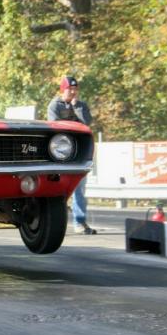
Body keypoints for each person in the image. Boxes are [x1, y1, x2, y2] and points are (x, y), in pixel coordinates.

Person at [47, 76, 97, 235]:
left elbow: (87, 123)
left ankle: (80, 222)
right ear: (63, 89)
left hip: (80, 153)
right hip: (61, 154)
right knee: (57, 189)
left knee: (79, 188)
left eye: (75, 89)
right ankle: (52, 223)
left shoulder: (81, 105)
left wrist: (77, 108)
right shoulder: (55, 105)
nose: (73, 92)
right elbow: (54, 126)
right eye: (70, 89)